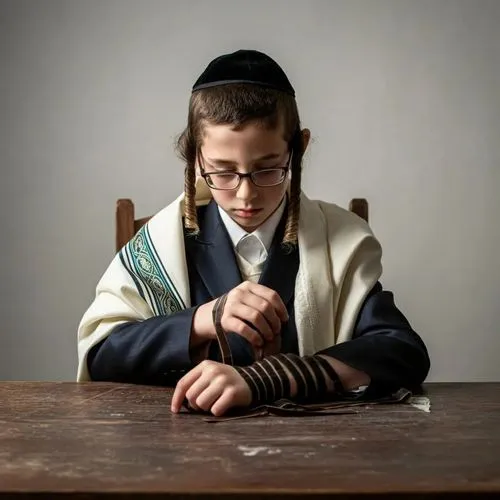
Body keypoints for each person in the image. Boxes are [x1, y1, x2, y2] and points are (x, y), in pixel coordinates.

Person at [77, 49, 430, 417]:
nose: (246, 195)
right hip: (182, 449)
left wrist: (270, 378)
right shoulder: (161, 245)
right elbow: (102, 354)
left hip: (318, 452)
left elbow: (401, 351)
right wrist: (204, 319)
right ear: (196, 155)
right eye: (223, 171)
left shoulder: (338, 241)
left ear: (298, 148)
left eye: (268, 168)